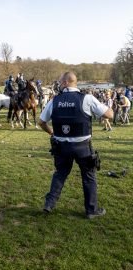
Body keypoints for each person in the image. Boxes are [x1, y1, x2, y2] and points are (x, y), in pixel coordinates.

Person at [39, 71, 113, 219]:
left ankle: (49, 204)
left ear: (66, 82)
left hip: (61, 147)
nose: (59, 85)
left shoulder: (55, 101)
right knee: (89, 177)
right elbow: (109, 115)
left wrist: (51, 133)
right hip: (83, 148)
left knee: (60, 174)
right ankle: (91, 210)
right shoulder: (87, 98)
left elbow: (41, 122)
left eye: (60, 82)